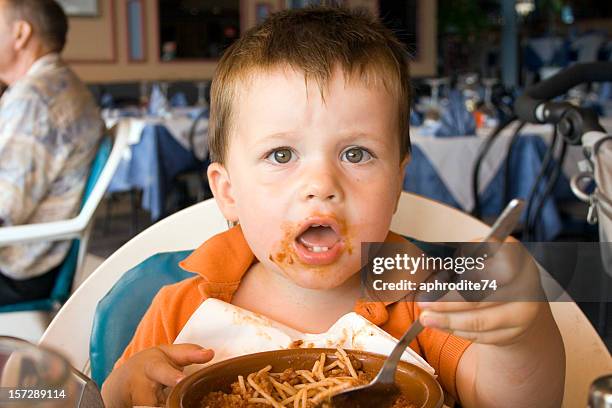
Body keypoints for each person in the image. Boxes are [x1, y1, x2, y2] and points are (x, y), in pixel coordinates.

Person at [102, 7, 565, 408]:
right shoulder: (180, 309)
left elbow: (512, 398)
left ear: (398, 182)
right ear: (228, 192)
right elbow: (109, 399)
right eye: (281, 155)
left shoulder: (425, 300)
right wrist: (122, 391)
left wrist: (522, 337)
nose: (321, 185)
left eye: (356, 154)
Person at [0, 0, 103, 305]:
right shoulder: (59, 83)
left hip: (19, 266)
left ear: (20, 34)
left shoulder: (34, 99)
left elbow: (4, 210)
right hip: (37, 257)